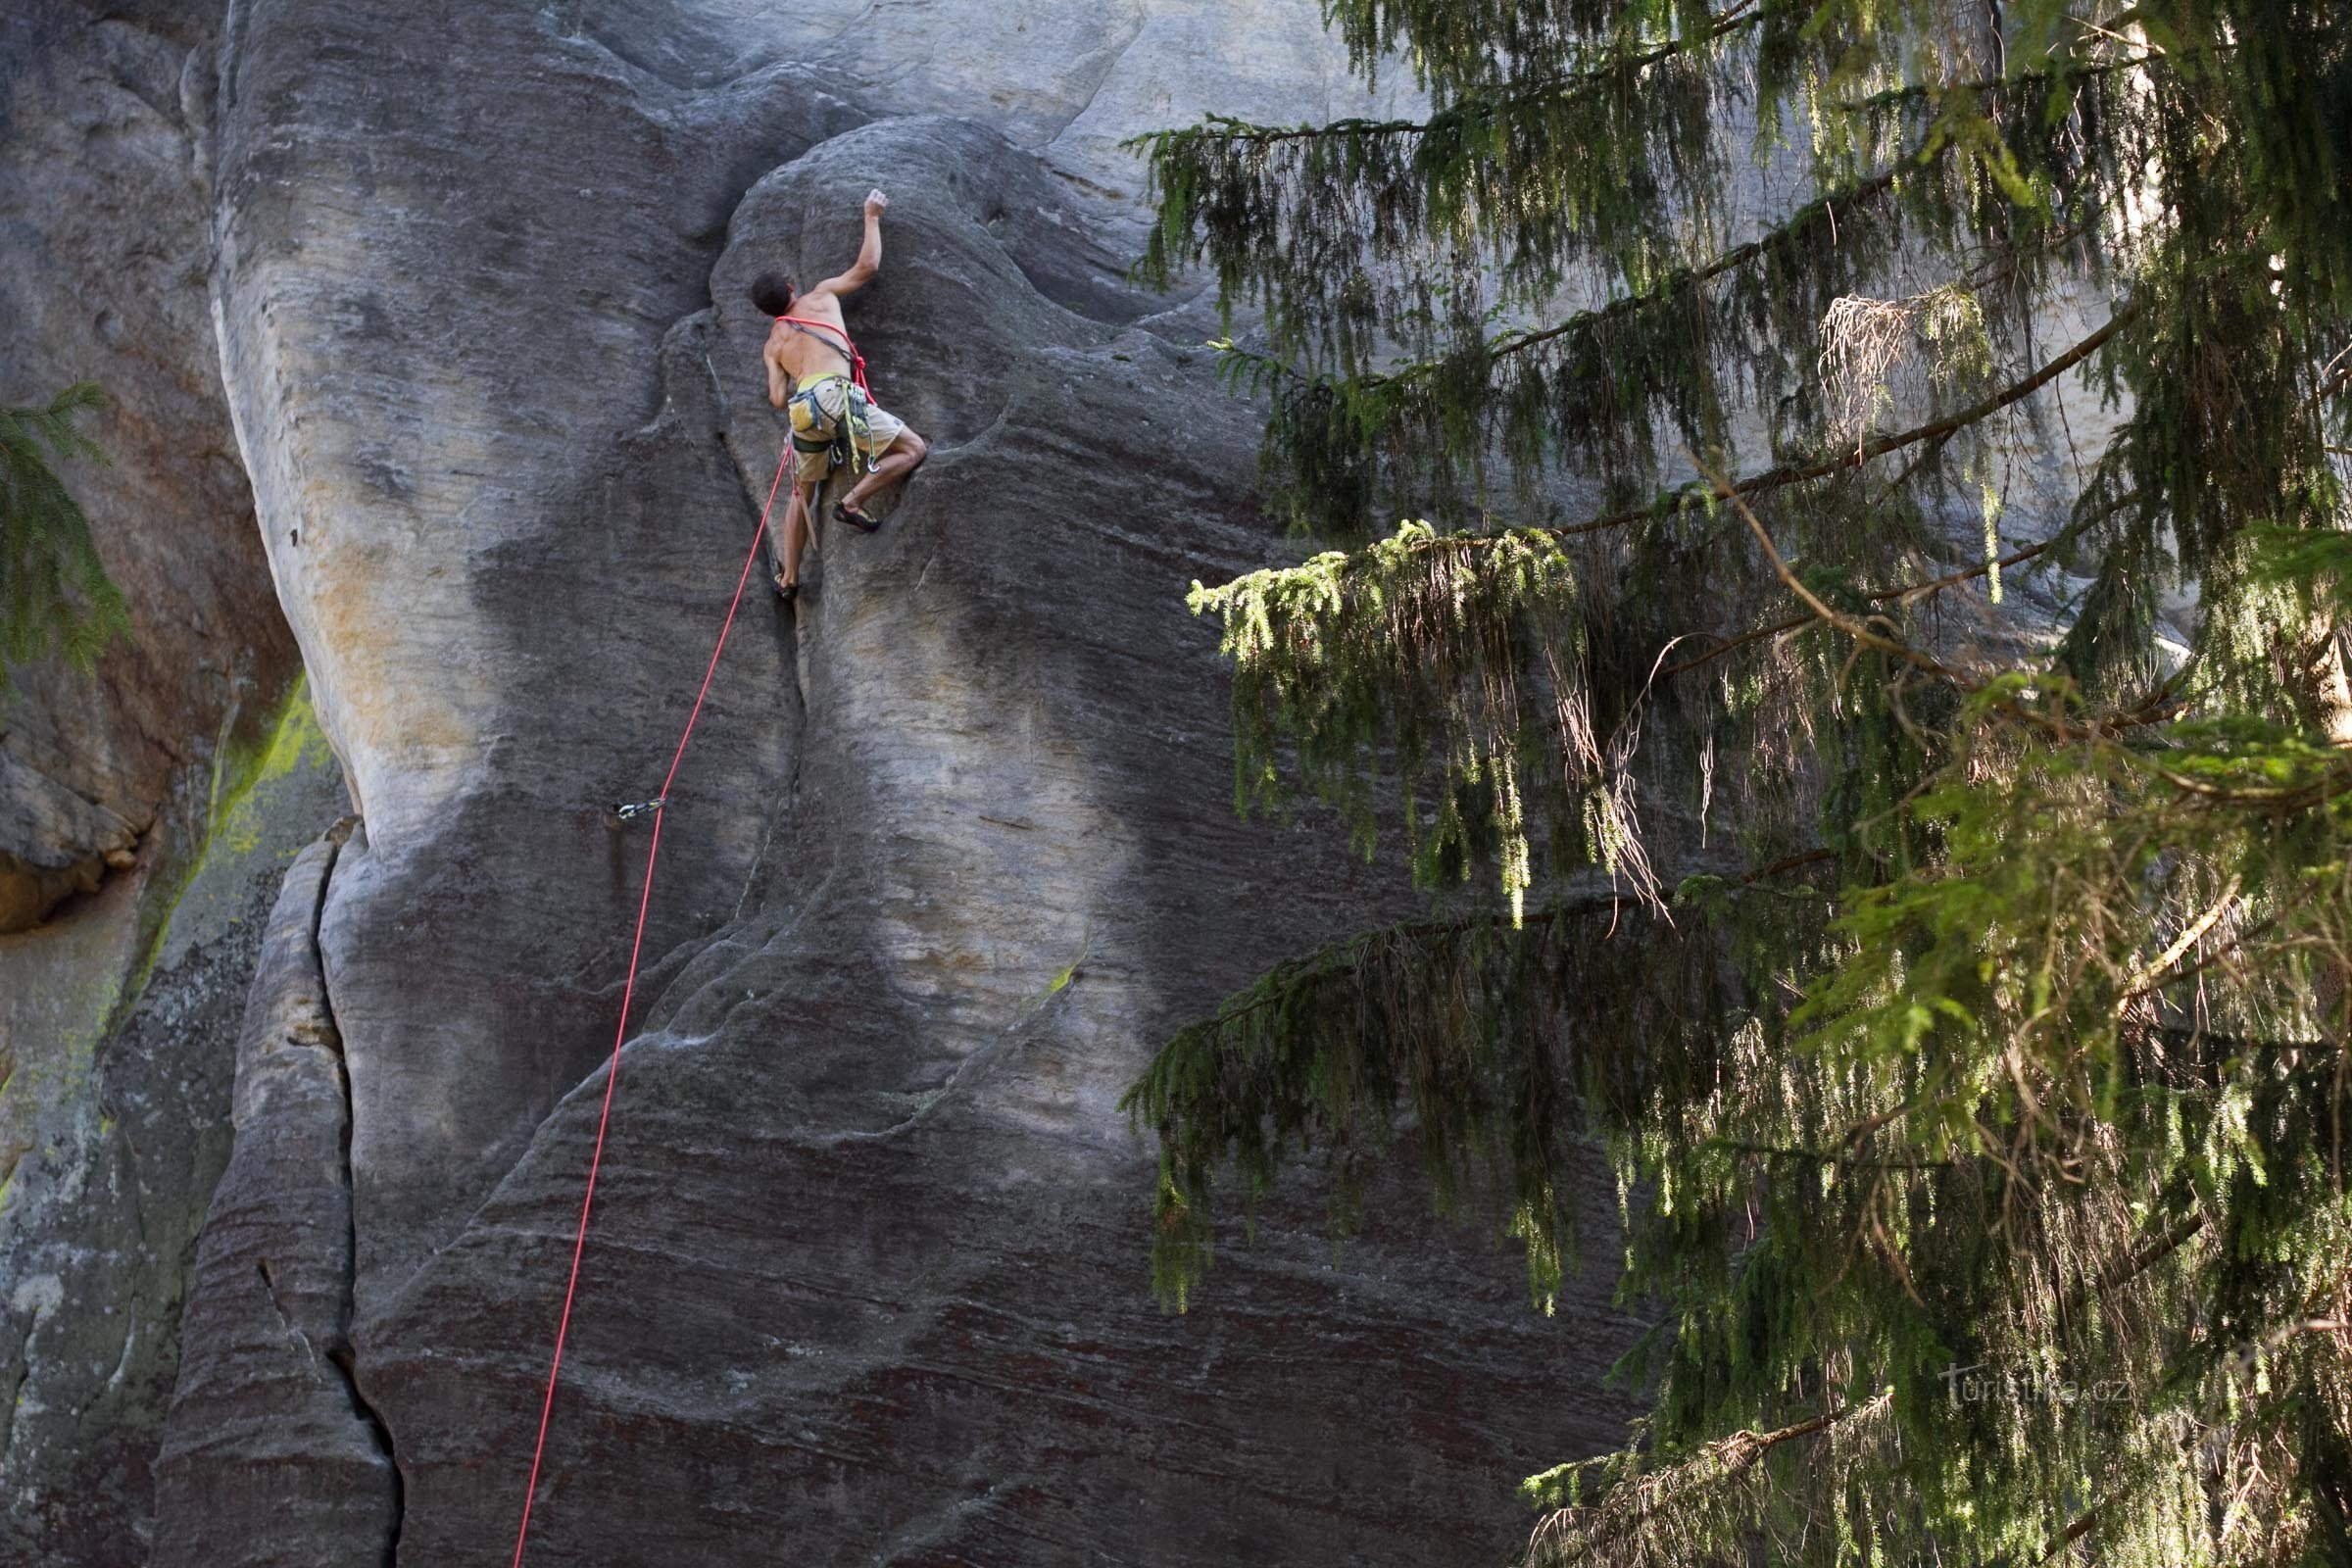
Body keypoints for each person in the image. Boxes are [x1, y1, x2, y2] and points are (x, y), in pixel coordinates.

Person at [750, 189, 929, 603]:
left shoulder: (773, 344)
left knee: (801, 494)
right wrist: (871, 215)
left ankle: (789, 577)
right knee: (913, 448)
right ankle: (852, 502)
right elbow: (868, 267)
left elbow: (777, 398)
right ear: (792, 287)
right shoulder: (821, 297)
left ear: (769, 313)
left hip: (803, 412)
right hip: (837, 396)